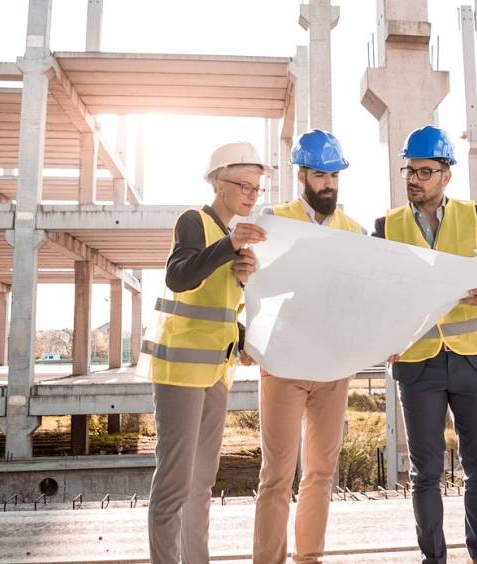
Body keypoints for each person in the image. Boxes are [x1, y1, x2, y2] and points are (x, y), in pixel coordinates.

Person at [373, 125, 477, 564]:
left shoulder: (475, 218)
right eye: (410, 171)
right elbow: (372, 293)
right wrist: (382, 337)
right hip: (418, 365)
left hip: (474, 362)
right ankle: (433, 558)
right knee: (425, 473)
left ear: (446, 175)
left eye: (424, 171)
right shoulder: (387, 226)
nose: (414, 179)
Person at [143, 141, 269, 564]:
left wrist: (243, 334)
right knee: (174, 484)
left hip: (216, 371)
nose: (252, 194)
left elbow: (218, 311)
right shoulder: (194, 221)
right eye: (244, 185)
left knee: (201, 484)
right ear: (217, 182)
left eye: (257, 188)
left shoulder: (232, 239)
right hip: (180, 371)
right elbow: (178, 278)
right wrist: (228, 248)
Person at [253, 130, 366, 564]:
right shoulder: (274, 220)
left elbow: (366, 295)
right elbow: (253, 284)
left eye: (334, 175)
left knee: (320, 473)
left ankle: (310, 558)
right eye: (321, 175)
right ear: (301, 175)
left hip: (333, 367)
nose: (329, 184)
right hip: (284, 364)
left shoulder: (353, 231)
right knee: (276, 476)